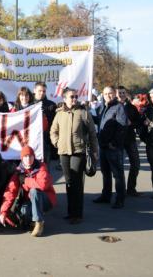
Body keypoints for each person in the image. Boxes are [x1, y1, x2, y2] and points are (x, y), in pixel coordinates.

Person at [50, 87, 98, 224]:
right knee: (69, 182)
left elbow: (93, 134)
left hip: (78, 152)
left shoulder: (83, 113)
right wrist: (57, 143)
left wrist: (95, 152)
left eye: (76, 96)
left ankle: (77, 214)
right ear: (64, 99)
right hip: (63, 152)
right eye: (72, 97)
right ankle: (70, 212)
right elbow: (53, 131)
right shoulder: (59, 114)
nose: (75, 99)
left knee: (77, 183)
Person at [0, 146, 57, 237]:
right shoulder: (19, 171)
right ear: (22, 159)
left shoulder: (41, 166)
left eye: (30, 156)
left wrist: (26, 180)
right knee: (23, 210)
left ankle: (39, 223)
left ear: (34, 157)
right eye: (25, 157)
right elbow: (10, 191)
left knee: (34, 191)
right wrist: (3, 212)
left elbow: (42, 185)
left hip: (47, 199)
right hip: (30, 200)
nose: (28, 159)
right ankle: (32, 221)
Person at [92, 86, 127, 208]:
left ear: (115, 94)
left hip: (113, 148)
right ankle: (106, 195)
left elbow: (122, 128)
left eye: (110, 93)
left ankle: (120, 199)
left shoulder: (119, 108)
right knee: (105, 173)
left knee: (118, 174)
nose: (108, 95)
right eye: (106, 93)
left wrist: (114, 143)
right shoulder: (103, 107)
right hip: (103, 146)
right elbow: (99, 121)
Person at [117, 86, 143, 196]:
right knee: (119, 166)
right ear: (116, 94)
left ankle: (131, 188)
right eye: (119, 93)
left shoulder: (131, 107)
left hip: (130, 139)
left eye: (123, 93)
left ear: (126, 94)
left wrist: (132, 124)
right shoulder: (113, 106)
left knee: (136, 164)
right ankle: (121, 190)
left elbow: (138, 122)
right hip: (117, 140)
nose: (122, 95)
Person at [33, 82, 57, 163]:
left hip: (46, 142)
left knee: (45, 169)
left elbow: (56, 124)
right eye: (40, 91)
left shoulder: (52, 105)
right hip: (32, 142)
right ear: (34, 90)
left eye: (44, 91)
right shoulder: (28, 105)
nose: (42, 93)